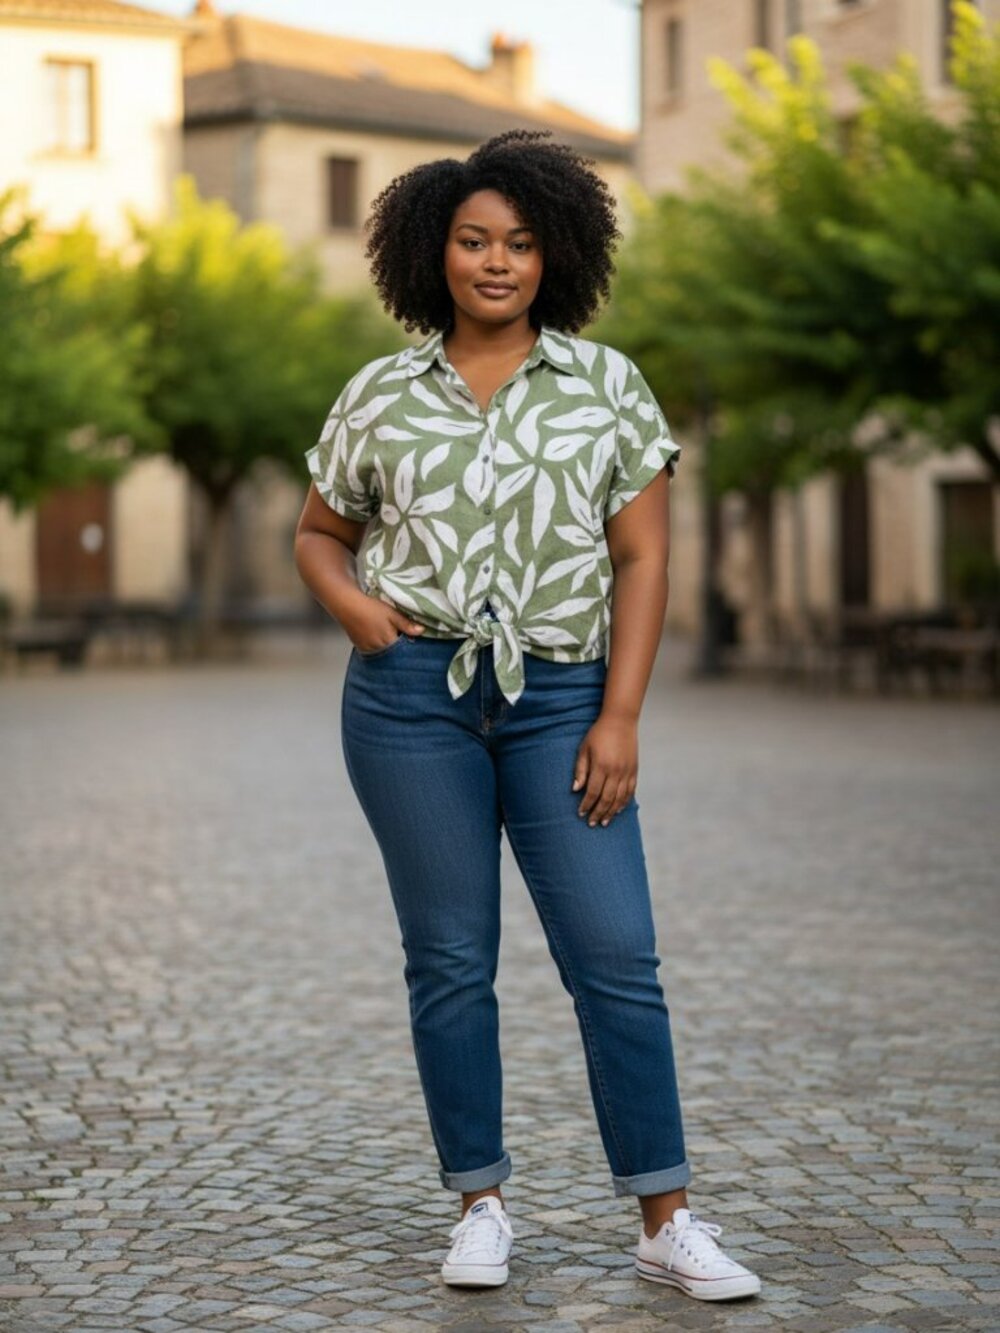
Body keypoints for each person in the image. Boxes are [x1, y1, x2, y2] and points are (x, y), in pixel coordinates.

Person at [294, 129, 761, 1304]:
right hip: (411, 701)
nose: (495, 262)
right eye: (471, 240)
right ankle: (481, 1203)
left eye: (519, 242)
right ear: (431, 251)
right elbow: (317, 530)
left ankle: (666, 1219)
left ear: (557, 255)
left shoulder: (608, 387)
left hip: (561, 697)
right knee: (450, 959)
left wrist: (621, 717)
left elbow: (644, 562)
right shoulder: (380, 394)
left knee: (616, 958)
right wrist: (355, 612)